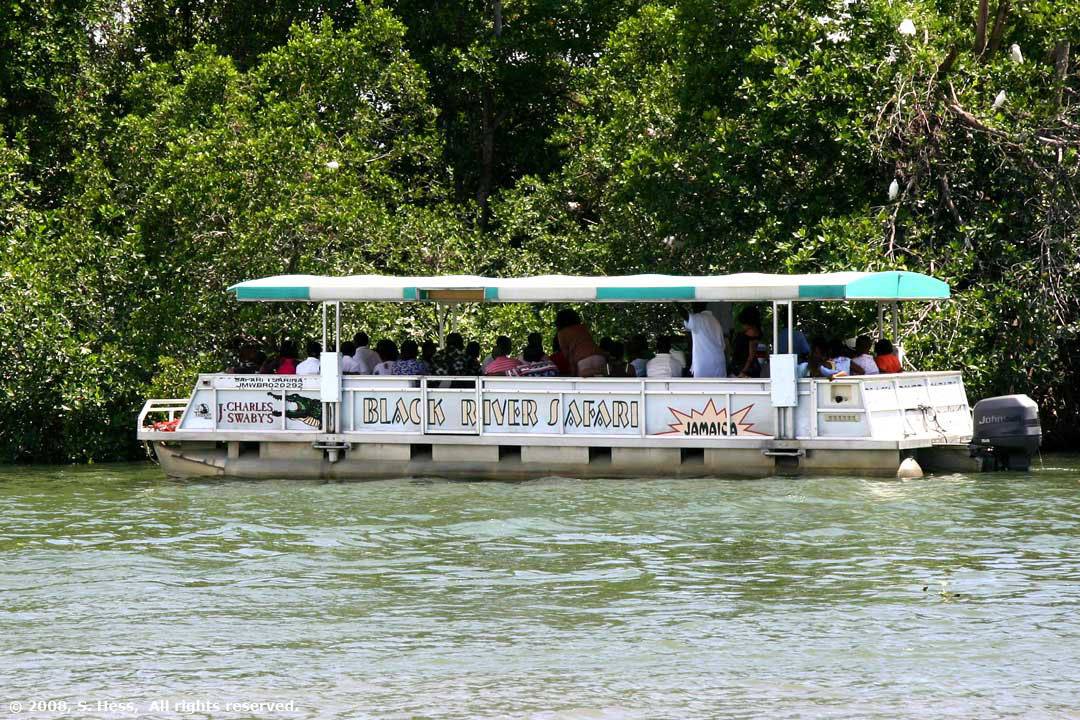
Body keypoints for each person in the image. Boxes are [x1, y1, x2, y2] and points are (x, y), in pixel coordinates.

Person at [555, 308, 606, 377]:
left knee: (585, 387)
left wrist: (573, 373)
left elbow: (567, 355)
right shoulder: (583, 327)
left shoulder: (561, 333)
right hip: (599, 357)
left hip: (582, 360)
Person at [682, 302, 727, 377]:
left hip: (706, 367)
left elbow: (686, 316)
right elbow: (723, 346)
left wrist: (675, 302)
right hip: (719, 364)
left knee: (703, 388)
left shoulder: (699, 318)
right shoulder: (715, 320)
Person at [731, 306, 763, 377]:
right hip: (750, 370)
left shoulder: (747, 336)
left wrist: (743, 371)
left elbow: (750, 356)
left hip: (744, 371)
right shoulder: (758, 333)